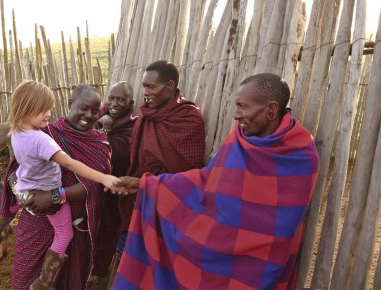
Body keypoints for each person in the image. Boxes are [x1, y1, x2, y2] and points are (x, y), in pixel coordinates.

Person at [110, 73, 320, 289]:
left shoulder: (299, 154)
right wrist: (148, 184)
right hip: (218, 241)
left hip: (261, 258)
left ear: (271, 110)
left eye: (242, 106)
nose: (236, 115)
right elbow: (207, 180)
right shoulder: (238, 138)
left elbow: (283, 223)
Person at [0, 84, 114, 290]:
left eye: (95, 111)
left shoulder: (98, 144)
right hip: (34, 222)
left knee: (67, 283)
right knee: (23, 280)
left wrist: (54, 196)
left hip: (75, 228)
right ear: (70, 104)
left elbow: (93, 185)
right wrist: (24, 197)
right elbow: (16, 171)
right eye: (83, 108)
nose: (89, 115)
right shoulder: (45, 132)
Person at [117, 60, 206, 254]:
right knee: (127, 257)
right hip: (138, 198)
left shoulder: (188, 118)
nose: (145, 92)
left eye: (151, 87)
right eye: (144, 87)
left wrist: (142, 183)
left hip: (170, 206)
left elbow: (187, 176)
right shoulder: (146, 116)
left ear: (170, 87)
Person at [89, 81, 138, 288]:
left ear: (130, 103)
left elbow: (115, 157)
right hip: (92, 187)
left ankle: (102, 275)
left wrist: (106, 131)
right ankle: (89, 270)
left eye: (121, 100)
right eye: (111, 98)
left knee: (110, 231)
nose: (115, 103)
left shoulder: (134, 127)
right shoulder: (94, 118)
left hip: (118, 189)